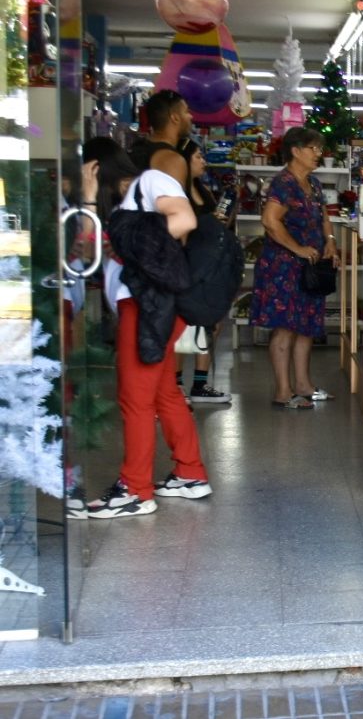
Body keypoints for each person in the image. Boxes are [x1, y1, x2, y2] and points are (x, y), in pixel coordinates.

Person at [85, 136, 214, 519]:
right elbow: (85, 248)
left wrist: (136, 250)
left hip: (147, 305)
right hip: (144, 304)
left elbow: (184, 218)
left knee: (135, 397)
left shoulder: (151, 182)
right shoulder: (125, 201)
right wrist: (91, 201)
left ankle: (135, 488)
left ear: (97, 166)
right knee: (162, 394)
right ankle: (190, 472)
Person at [250, 126, 339, 410]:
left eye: (318, 149)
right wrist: (297, 248)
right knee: (286, 327)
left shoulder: (311, 184)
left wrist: (330, 242)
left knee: (306, 326)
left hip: (309, 267)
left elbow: (324, 216)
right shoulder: (282, 184)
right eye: (312, 149)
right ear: (295, 151)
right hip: (283, 267)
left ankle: (303, 384)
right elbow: (270, 221)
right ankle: (283, 391)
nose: (318, 154)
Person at [174, 139, 233, 405]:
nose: (203, 161)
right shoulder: (176, 193)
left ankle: (200, 383)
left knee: (210, 325)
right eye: (198, 156)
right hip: (187, 266)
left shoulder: (205, 191)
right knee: (183, 328)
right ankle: (175, 385)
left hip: (209, 267)